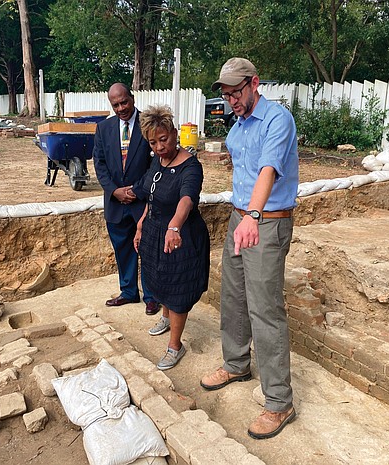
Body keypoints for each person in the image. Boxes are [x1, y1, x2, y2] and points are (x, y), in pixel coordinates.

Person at [200, 58, 299, 439]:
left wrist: (254, 218)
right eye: (225, 96)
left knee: (266, 310)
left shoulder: (278, 120)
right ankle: (236, 363)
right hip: (241, 218)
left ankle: (279, 402)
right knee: (234, 298)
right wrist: (242, 218)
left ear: (254, 83)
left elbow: (268, 171)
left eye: (235, 93)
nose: (230, 102)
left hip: (267, 223)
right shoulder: (238, 127)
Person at [133, 105, 210, 371]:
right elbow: (150, 195)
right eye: (153, 142)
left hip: (182, 237)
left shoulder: (191, 166)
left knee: (178, 289)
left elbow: (187, 199)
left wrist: (174, 227)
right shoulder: (157, 161)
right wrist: (142, 225)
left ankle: (175, 345)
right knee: (159, 280)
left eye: (163, 139)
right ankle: (165, 318)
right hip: (155, 232)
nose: (159, 147)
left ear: (174, 133)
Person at [94, 83, 160, 315]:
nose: (121, 108)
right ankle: (129, 292)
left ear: (132, 98)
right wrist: (114, 191)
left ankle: (152, 296)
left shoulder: (148, 124)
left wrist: (137, 190)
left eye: (124, 102)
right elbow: (99, 164)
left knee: (148, 249)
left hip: (142, 202)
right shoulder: (103, 129)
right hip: (115, 203)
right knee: (122, 248)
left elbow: (156, 162)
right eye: (116, 105)